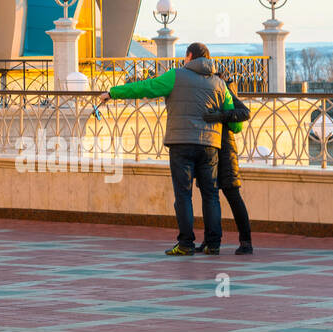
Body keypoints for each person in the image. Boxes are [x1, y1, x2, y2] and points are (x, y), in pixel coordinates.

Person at [99, 42, 234, 256]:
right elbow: (235, 122)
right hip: (210, 145)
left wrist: (113, 93)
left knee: (183, 194)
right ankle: (213, 243)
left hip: (181, 143)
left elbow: (145, 87)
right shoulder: (220, 83)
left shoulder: (175, 76)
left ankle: (186, 244)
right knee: (210, 195)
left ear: (189, 56)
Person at [198, 78, 254, 255]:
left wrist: (220, 116)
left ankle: (246, 242)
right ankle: (209, 240)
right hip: (208, 148)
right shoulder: (202, 89)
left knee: (232, 195)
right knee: (209, 196)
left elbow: (244, 112)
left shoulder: (221, 89)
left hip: (225, 150)